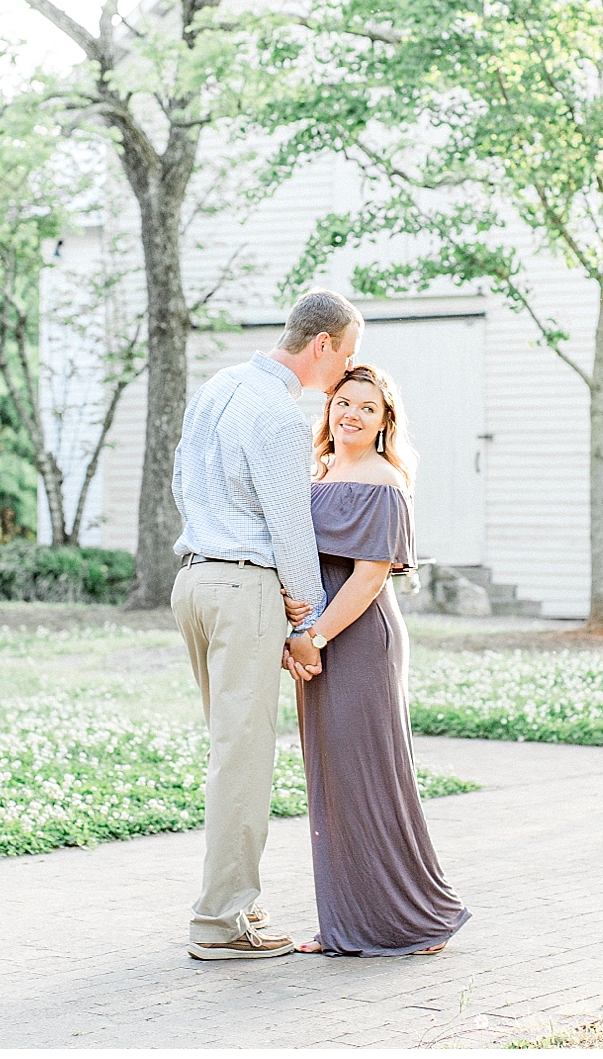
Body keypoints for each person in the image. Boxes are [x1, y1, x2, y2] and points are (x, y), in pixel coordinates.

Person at [171, 289, 362, 961]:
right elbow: (291, 528)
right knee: (243, 763)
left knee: (229, 754)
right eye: (347, 353)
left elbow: (184, 483)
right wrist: (306, 622)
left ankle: (234, 900)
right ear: (322, 345)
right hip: (241, 587)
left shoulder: (218, 388)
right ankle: (222, 922)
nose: (346, 369)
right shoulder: (279, 415)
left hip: (192, 579)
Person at [285, 364, 471, 956]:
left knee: (369, 780)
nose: (351, 414)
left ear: (386, 421)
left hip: (359, 641)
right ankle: (348, 924)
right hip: (317, 637)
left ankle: (411, 922)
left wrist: (312, 636)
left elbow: (367, 580)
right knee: (333, 781)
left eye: (367, 407)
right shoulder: (320, 473)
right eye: (343, 401)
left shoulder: (384, 481)